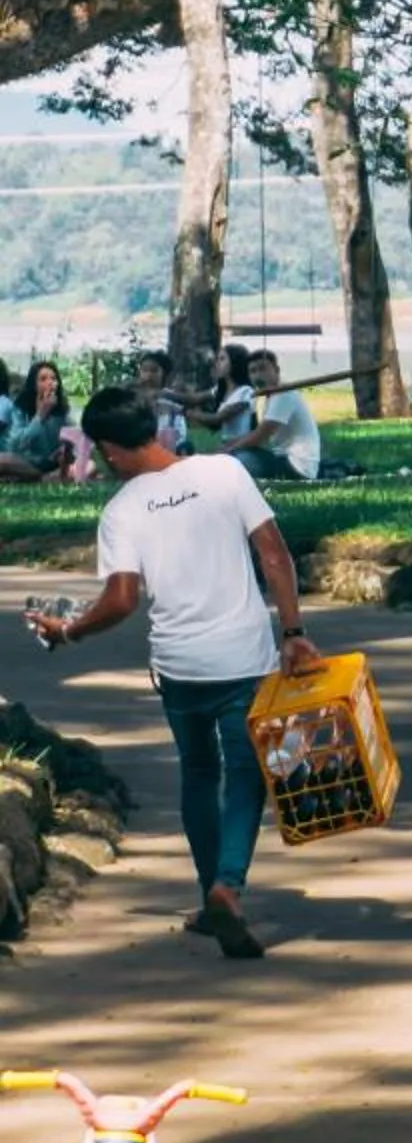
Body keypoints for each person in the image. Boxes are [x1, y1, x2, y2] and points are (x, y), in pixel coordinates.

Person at [29, 384, 323, 958]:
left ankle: (210, 894)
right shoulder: (225, 472)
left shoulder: (121, 511)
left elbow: (120, 600)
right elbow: (275, 555)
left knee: (197, 773)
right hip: (243, 657)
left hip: (181, 666)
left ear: (110, 449)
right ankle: (226, 887)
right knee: (247, 773)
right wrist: (292, 632)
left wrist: (69, 631)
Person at [217, 349, 321, 483]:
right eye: (253, 371)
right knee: (233, 458)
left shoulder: (283, 393)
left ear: (276, 370)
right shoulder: (269, 396)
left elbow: (261, 436)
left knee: (237, 460)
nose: (258, 376)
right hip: (281, 458)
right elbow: (256, 434)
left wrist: (228, 450)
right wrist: (226, 447)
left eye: (263, 369)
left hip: (297, 466)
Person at [0, 357, 67, 481]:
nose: (50, 383)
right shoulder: (21, 410)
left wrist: (63, 451)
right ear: (34, 385)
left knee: (90, 465)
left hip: (53, 464)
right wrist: (40, 416)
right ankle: (42, 478)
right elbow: (16, 446)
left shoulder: (61, 412)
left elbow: (70, 440)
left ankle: (38, 477)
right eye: (43, 379)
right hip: (26, 463)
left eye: (53, 378)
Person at [135, 349, 190, 455]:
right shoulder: (134, 396)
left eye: (154, 371)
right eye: (144, 370)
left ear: (164, 373)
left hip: (167, 444)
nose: (149, 375)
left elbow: (179, 426)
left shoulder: (170, 396)